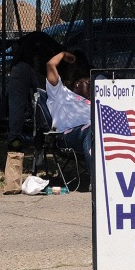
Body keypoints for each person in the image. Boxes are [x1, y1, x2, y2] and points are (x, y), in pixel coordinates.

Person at [44, 48, 93, 189]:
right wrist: (63, 54)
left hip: (93, 132)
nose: (90, 85)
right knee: (91, 130)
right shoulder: (59, 93)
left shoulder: (90, 102)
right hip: (68, 135)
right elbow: (50, 65)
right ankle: (95, 180)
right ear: (74, 82)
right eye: (86, 82)